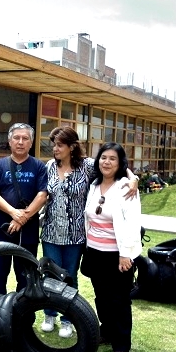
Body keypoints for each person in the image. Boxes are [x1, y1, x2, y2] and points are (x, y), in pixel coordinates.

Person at [40, 127, 139, 338]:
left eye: (59, 145)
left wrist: (134, 179)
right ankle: (49, 315)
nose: (55, 149)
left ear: (71, 147)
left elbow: (114, 169)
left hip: (76, 236)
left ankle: (68, 318)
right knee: (50, 275)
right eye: (54, 145)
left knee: (69, 276)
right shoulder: (48, 166)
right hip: (51, 232)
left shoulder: (85, 167)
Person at [81, 142, 142, 352]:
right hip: (95, 252)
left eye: (113, 159)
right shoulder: (94, 184)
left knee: (120, 300)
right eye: (103, 157)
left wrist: (126, 254)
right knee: (102, 296)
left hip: (117, 255)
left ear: (120, 163)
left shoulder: (126, 187)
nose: (107, 162)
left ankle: (122, 346)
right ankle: (106, 331)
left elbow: (132, 223)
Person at [0, 123, 48, 294]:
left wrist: (23, 218)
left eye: (25, 138)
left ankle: (24, 317)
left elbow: (42, 195)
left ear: (31, 142)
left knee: (26, 275)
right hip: (0, 229)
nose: (20, 142)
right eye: (17, 138)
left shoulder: (38, 166)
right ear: (10, 141)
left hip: (27, 231)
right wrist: (13, 212)